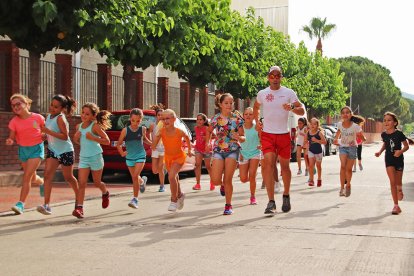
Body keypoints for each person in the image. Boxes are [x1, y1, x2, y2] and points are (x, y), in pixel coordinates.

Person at [253, 65, 305, 215]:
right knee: (268, 166)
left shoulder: (289, 92)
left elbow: (301, 110)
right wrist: (257, 122)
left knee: (285, 168)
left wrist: (291, 108)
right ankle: (271, 201)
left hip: (283, 134)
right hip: (267, 134)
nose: (275, 78)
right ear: (268, 77)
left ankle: (286, 195)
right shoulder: (263, 93)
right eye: (272, 76)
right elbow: (256, 106)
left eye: (278, 75)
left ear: (281, 77)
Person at [37, 94, 79, 215]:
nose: (52, 108)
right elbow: (49, 133)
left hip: (66, 151)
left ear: (62, 108)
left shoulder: (61, 118)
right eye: (51, 105)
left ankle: (79, 198)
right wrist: (44, 136)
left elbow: (65, 137)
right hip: (53, 151)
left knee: (68, 177)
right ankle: (47, 205)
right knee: (47, 176)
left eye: (56, 107)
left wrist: (48, 131)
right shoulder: (48, 116)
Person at [6, 94, 45, 215]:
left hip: (36, 149)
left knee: (26, 177)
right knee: (32, 177)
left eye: (18, 104)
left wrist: (45, 136)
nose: (16, 107)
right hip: (23, 150)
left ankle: (20, 204)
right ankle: (41, 182)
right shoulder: (14, 122)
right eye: (13, 105)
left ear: (26, 104)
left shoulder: (38, 117)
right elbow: (12, 136)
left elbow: (44, 131)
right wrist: (10, 140)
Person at [207, 93, 245, 215]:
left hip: (233, 150)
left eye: (231, 102)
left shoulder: (237, 119)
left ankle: (228, 205)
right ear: (220, 104)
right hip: (218, 150)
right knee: (216, 180)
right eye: (226, 103)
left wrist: (239, 137)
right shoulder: (216, 118)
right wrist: (208, 142)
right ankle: (221, 185)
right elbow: (208, 131)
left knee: (228, 179)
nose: (229, 105)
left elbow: (243, 137)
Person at [72, 102, 111, 218]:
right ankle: (79, 208)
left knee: (96, 182)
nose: (84, 115)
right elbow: (79, 142)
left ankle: (105, 193)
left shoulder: (95, 126)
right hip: (84, 158)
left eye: (87, 114)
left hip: (96, 157)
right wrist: (75, 138)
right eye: (83, 113)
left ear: (93, 116)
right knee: (82, 183)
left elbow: (107, 141)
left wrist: (93, 137)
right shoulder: (78, 127)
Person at [152, 109, 192, 212]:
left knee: (171, 176)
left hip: (179, 157)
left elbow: (187, 138)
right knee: (175, 177)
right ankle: (180, 195)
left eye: (168, 118)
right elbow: (153, 146)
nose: (165, 121)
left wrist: (189, 150)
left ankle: (173, 200)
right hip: (168, 158)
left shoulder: (179, 131)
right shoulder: (162, 131)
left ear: (174, 119)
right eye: (163, 119)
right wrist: (155, 139)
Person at [116, 108, 152, 209]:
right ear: (130, 119)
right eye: (133, 120)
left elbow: (144, 139)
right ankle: (142, 181)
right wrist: (122, 153)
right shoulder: (125, 131)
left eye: (138, 121)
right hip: (129, 158)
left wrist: (153, 144)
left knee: (135, 176)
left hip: (141, 155)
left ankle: (135, 199)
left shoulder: (143, 129)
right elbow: (118, 144)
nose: (135, 123)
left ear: (141, 120)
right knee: (136, 178)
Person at [375, 112, 409, 215]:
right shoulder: (383, 134)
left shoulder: (399, 134)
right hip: (389, 159)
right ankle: (396, 206)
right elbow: (385, 144)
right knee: (392, 182)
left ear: (394, 123)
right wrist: (380, 152)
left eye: (389, 120)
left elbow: (406, 146)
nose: (386, 122)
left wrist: (400, 152)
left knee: (398, 183)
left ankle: (400, 189)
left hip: (398, 159)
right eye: (385, 120)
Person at [333, 106, 365, 197]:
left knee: (348, 169)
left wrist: (361, 137)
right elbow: (338, 133)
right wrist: (336, 139)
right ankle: (342, 188)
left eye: (347, 112)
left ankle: (348, 185)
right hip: (343, 147)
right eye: (343, 113)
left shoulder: (355, 126)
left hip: (352, 148)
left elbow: (363, 137)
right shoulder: (339, 124)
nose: (345, 114)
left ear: (351, 114)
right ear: (341, 115)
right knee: (343, 166)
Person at [239, 107, 261, 205]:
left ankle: (253, 196)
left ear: (254, 116)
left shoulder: (257, 127)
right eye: (246, 114)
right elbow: (236, 140)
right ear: (243, 116)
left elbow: (262, 138)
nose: (248, 116)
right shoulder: (240, 127)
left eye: (250, 114)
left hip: (255, 153)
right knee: (243, 179)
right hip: (243, 153)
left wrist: (262, 145)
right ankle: (252, 176)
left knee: (252, 176)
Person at [192, 113, 214, 191]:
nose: (198, 121)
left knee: (208, 166)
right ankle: (198, 184)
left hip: (207, 149)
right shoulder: (196, 128)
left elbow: (214, 135)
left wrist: (207, 138)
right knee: (197, 165)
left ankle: (212, 182)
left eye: (200, 119)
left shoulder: (207, 128)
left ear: (204, 121)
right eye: (197, 119)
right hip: (198, 149)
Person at [149, 105, 166, 192]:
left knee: (160, 168)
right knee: (154, 170)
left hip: (163, 149)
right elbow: (148, 134)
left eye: (162, 115)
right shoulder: (152, 125)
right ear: (156, 116)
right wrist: (151, 143)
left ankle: (162, 186)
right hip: (155, 149)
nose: (160, 116)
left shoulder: (165, 125)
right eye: (158, 115)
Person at [305, 118, 326, 187]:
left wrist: (317, 140)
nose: (313, 125)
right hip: (311, 151)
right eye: (311, 124)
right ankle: (311, 180)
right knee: (311, 165)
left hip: (319, 152)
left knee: (318, 166)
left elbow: (325, 142)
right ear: (309, 125)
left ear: (317, 125)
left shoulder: (319, 133)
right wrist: (306, 143)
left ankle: (319, 179)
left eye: (314, 124)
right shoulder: (308, 133)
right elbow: (304, 141)